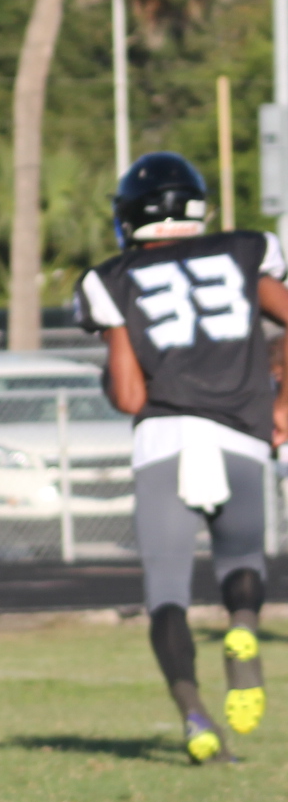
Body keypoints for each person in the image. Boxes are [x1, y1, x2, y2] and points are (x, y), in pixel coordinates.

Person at [76, 152, 288, 764]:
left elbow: (129, 396)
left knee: (166, 588)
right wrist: (282, 405)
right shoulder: (244, 249)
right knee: (241, 558)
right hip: (240, 432)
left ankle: (196, 718)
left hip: (165, 438)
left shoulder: (112, 277)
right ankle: (242, 626)